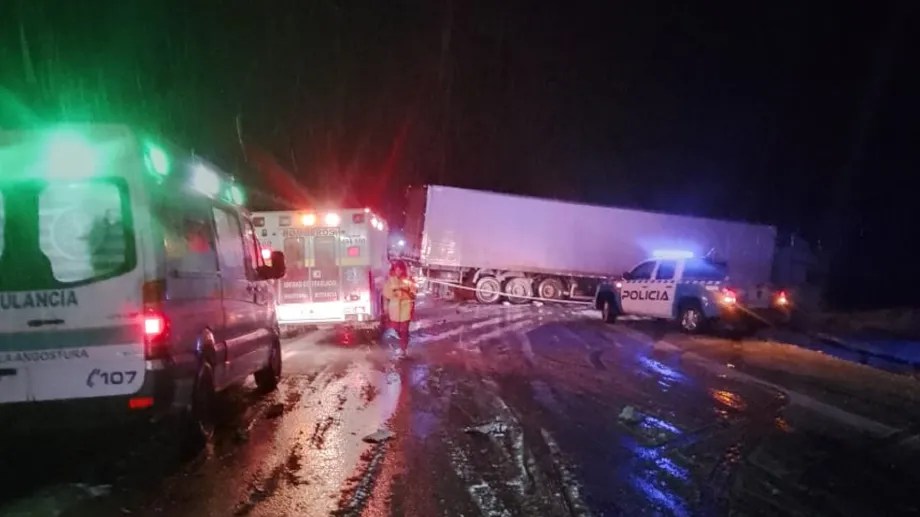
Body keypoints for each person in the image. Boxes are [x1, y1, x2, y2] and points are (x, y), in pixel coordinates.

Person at [383, 260, 417, 359]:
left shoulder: (408, 280)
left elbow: (413, 293)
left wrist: (406, 295)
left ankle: (403, 349)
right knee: (396, 330)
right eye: (397, 269)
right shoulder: (390, 280)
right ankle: (402, 341)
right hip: (394, 310)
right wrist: (392, 296)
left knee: (404, 330)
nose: (399, 272)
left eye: (400, 270)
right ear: (394, 270)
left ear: (403, 270)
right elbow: (386, 294)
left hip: (406, 308)